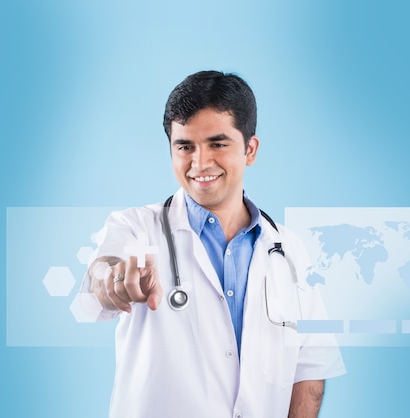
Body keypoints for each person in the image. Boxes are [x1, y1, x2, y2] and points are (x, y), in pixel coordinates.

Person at [79, 70, 345, 418]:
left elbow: (309, 370)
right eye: (185, 146)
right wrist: (111, 279)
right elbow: (100, 281)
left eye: (218, 144)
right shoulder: (136, 228)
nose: (200, 163)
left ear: (250, 149)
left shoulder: (289, 250)